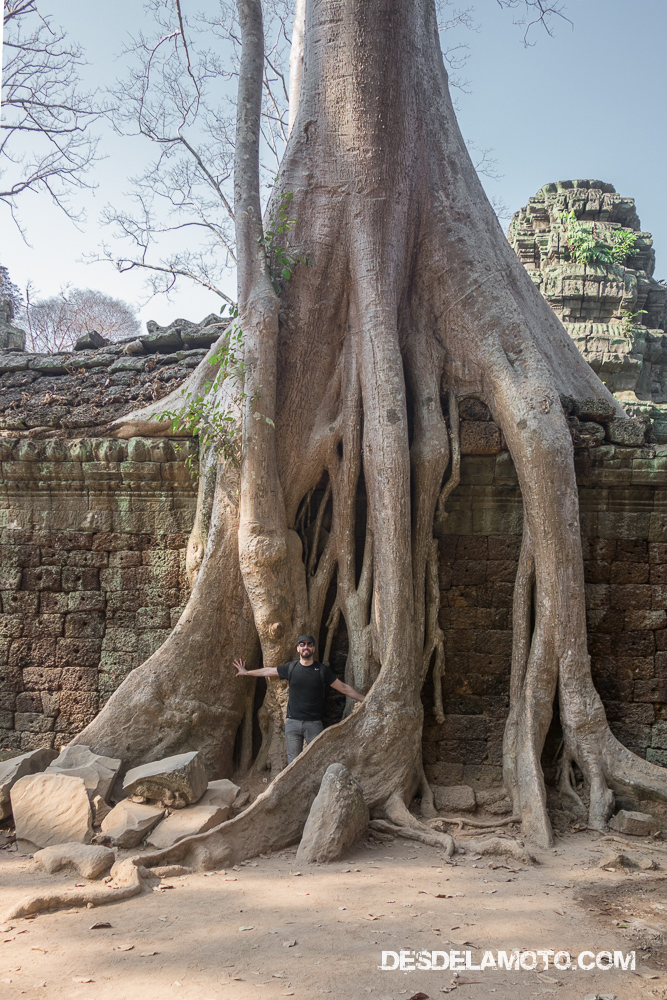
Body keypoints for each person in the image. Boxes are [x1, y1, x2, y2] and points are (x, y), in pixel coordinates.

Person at [233, 635, 365, 764]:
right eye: (302, 644)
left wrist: (363, 698)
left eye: (309, 644)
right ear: (298, 649)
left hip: (313, 724)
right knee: (293, 761)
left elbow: (343, 688)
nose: (306, 647)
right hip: (293, 723)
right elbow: (268, 671)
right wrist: (247, 672)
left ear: (313, 649)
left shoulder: (321, 670)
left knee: (317, 759)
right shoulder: (291, 668)